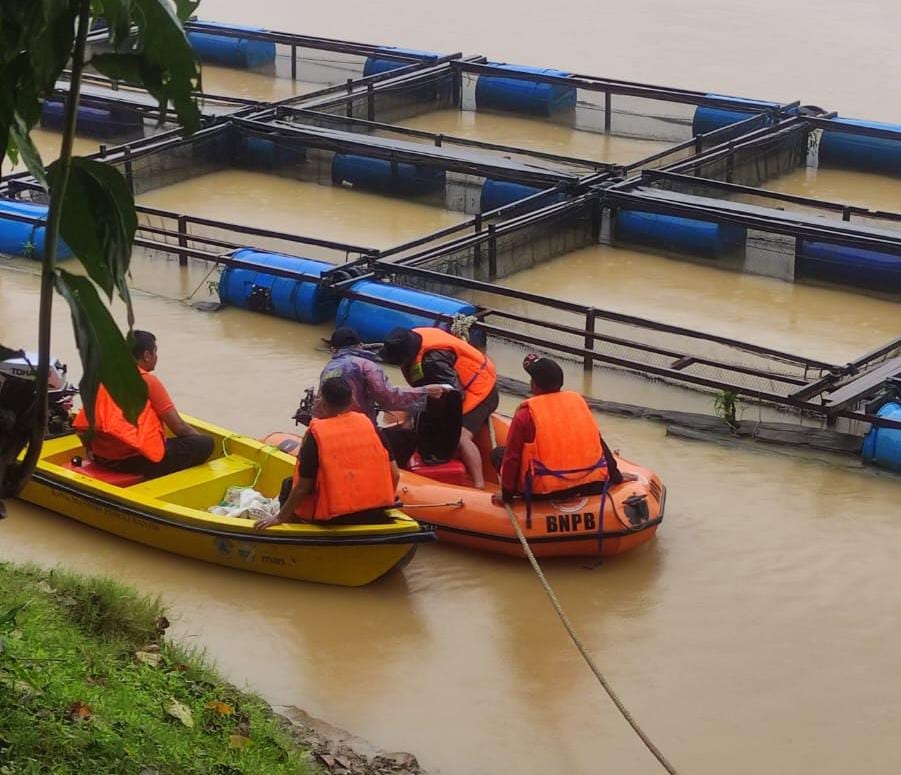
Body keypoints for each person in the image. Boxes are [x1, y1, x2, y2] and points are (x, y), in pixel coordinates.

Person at [255, 376, 399, 529]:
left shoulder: (317, 435)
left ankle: (294, 526)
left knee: (288, 484)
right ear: (352, 401)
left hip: (334, 518)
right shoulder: (371, 427)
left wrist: (279, 517)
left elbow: (303, 487)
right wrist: (387, 501)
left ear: (322, 403)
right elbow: (395, 474)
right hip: (375, 513)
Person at [73, 330, 213, 477]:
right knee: (206, 443)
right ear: (147, 355)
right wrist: (197, 440)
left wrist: (90, 450)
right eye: (155, 352)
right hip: (136, 461)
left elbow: (84, 426)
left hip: (102, 459)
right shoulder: (147, 381)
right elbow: (178, 427)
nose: (156, 357)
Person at [310, 327, 453, 465]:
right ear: (360, 345)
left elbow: (318, 408)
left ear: (333, 350)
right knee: (407, 438)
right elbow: (388, 397)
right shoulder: (366, 366)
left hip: (329, 432)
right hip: (360, 431)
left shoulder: (328, 369)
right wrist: (425, 391)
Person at [497, 354, 626, 505]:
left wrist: (506, 497)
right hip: (589, 484)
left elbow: (512, 457)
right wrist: (616, 476)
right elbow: (599, 443)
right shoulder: (578, 404)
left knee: (497, 454)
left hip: (545, 491)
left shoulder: (525, 414)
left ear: (534, 385)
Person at [381, 326, 498, 489]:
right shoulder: (412, 340)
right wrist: (409, 420)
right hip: (458, 385)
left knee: (462, 437)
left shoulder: (433, 360)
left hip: (480, 390)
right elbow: (420, 390)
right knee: (421, 420)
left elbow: (454, 395)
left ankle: (479, 484)